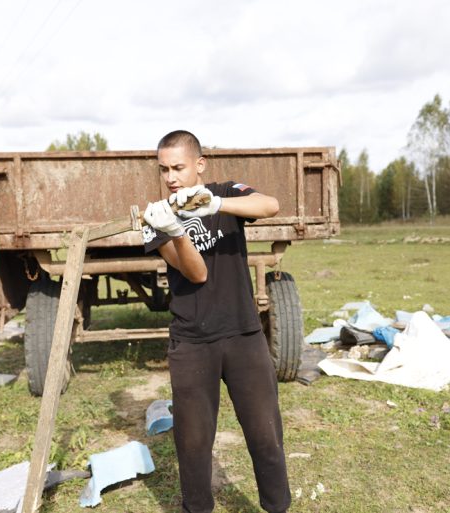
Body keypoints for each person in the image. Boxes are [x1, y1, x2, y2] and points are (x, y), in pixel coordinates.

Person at [142, 130, 291, 513]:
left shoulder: (224, 191)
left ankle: (277, 507)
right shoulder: (156, 215)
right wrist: (174, 231)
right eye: (164, 170)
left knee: (265, 435)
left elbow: (270, 205)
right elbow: (196, 274)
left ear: (199, 165)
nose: (171, 177)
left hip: (244, 335)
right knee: (193, 446)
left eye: (178, 167)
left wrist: (218, 203)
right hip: (192, 343)